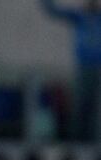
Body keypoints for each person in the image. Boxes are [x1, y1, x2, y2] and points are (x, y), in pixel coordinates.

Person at [41, 0, 101, 141]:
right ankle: (77, 137)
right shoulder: (80, 17)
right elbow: (55, 12)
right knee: (80, 104)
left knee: (93, 107)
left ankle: (91, 138)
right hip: (83, 67)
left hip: (97, 67)